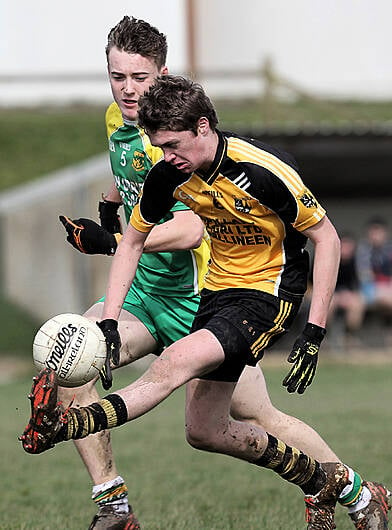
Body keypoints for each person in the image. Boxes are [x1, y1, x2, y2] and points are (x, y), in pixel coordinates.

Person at [20, 73, 391, 529]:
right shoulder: (168, 171)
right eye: (160, 148)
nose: (167, 158)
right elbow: (133, 242)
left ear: (202, 127)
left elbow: (327, 239)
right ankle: (333, 482)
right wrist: (110, 322)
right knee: (204, 429)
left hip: (266, 293)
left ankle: (74, 427)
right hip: (218, 293)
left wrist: (314, 330)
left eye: (173, 145)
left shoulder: (262, 170)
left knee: (173, 366)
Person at [328, 232, 366, 349]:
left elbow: (357, 285)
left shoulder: (355, 262)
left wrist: (348, 295)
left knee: (357, 303)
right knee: (328, 303)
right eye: (343, 245)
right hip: (327, 293)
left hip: (346, 294)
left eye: (349, 246)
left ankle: (349, 337)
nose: (346, 249)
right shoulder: (327, 258)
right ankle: (324, 337)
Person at [356, 217, 392, 336]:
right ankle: (352, 337)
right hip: (368, 290)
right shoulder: (364, 250)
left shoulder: (388, 249)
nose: (375, 235)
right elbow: (365, 276)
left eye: (379, 232)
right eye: (373, 232)